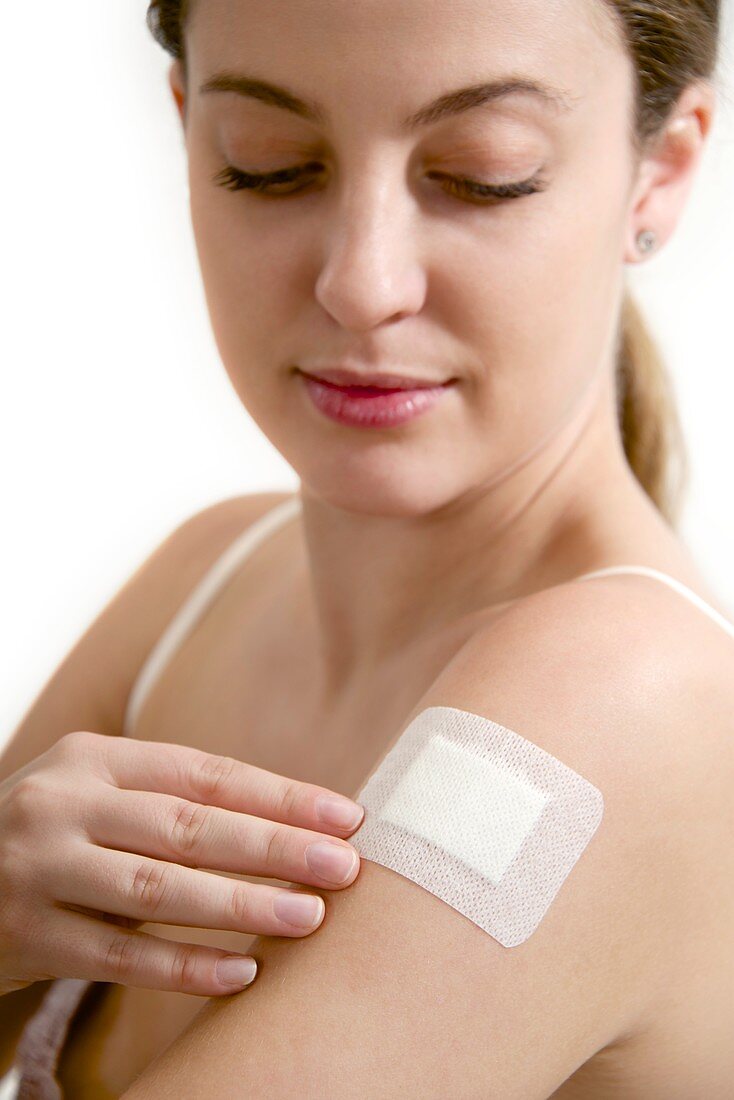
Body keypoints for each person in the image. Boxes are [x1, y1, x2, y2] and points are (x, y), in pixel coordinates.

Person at [1, 0, 732, 1095]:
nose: (361, 282)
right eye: (272, 165)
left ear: (658, 170)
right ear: (187, 127)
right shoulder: (204, 575)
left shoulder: (620, 700)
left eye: (483, 173)